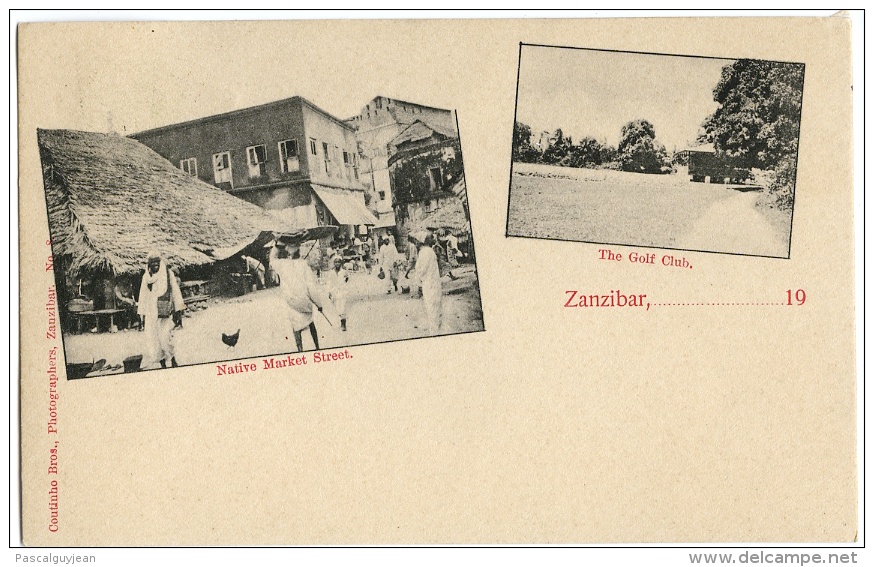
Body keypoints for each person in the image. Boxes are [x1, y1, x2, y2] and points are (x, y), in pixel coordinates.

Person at [270, 239, 328, 352]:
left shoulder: (282, 264)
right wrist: (318, 304)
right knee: (310, 322)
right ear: (299, 252)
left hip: (292, 301)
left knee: (296, 325)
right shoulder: (303, 264)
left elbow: (272, 259)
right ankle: (317, 346)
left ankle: (300, 349)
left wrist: (276, 246)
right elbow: (311, 287)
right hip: (304, 301)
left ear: (288, 253)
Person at [137, 252, 185, 368]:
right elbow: (142, 295)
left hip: (164, 312)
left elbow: (175, 292)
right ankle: (162, 363)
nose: (155, 265)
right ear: (149, 264)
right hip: (151, 313)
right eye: (152, 263)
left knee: (165, 338)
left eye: (157, 262)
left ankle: (173, 358)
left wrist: (178, 309)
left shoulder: (168, 274)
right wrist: (141, 315)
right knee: (154, 340)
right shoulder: (146, 277)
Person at [413, 234, 442, 335]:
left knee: (434, 303)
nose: (434, 239)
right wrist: (420, 281)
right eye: (432, 238)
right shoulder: (426, 251)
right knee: (432, 304)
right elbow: (421, 268)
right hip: (429, 281)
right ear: (427, 240)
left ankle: (435, 327)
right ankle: (434, 328)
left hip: (432, 281)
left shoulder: (428, 251)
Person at [325, 255, 349, 332]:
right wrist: (329, 292)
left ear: (341, 263)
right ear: (334, 263)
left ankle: (343, 323)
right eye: (336, 262)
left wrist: (343, 286)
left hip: (342, 291)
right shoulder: (331, 272)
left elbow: (347, 279)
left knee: (343, 307)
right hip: (334, 291)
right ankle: (338, 321)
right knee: (337, 308)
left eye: (339, 262)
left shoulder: (343, 272)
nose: (337, 264)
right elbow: (329, 283)